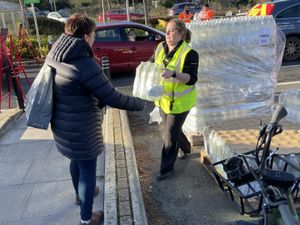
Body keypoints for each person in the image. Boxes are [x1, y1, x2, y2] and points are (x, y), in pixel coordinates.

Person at [45, 13, 146, 225]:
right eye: (93, 34)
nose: (94, 39)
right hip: (82, 126)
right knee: (88, 169)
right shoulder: (85, 63)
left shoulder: (56, 52)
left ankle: (79, 195)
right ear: (84, 37)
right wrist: (140, 104)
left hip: (63, 123)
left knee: (76, 160)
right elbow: (111, 96)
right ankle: (86, 217)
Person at [151, 19, 199, 180]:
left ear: (182, 33)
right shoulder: (160, 47)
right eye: (167, 30)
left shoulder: (189, 53)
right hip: (163, 100)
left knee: (169, 136)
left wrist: (174, 74)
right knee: (172, 130)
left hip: (180, 103)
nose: (168, 34)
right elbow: (152, 65)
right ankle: (186, 148)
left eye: (172, 30)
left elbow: (191, 79)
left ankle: (166, 169)